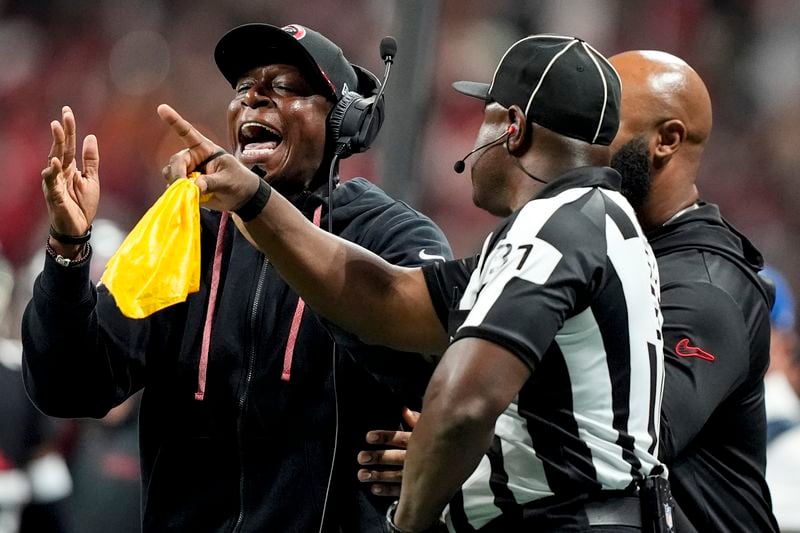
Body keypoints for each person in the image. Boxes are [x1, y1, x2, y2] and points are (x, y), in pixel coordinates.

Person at [156, 34, 667, 532]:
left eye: (484, 113)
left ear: (512, 128)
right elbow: (389, 299)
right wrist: (254, 201)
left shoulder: (552, 230)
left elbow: (461, 406)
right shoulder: (600, 223)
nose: (473, 134)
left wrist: (409, 518)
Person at [21, 23, 451, 532]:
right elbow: (69, 387)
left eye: (284, 87)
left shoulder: (391, 236)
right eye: (244, 89)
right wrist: (68, 251)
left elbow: (455, 371)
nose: (254, 100)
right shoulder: (183, 230)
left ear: (342, 122)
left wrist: (444, 448)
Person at [607, 50, 779, 532]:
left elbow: (631, 440)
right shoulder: (606, 251)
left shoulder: (706, 288)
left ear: (666, 140)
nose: (584, 144)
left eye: (605, 125)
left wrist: (467, 447)